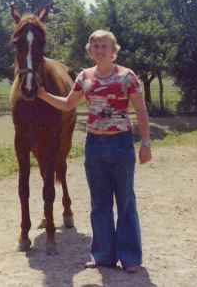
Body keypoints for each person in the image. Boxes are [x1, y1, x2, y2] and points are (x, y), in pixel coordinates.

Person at [38, 30, 151, 273]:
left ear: (113, 50)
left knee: (126, 201)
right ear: (90, 49)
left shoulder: (126, 76)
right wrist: (43, 95)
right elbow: (68, 103)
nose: (100, 50)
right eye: (96, 46)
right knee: (99, 203)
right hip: (94, 145)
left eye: (105, 46)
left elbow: (140, 110)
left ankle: (130, 258)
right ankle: (102, 256)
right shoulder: (84, 77)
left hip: (121, 143)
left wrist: (145, 143)